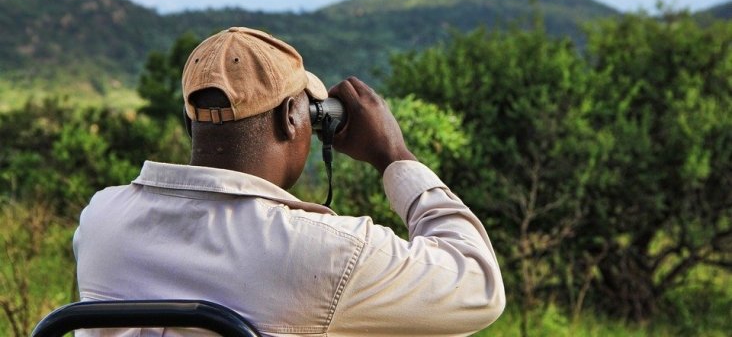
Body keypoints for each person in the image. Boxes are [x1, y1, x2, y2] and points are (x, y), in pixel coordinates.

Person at [73, 26, 505, 336]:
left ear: (191, 124)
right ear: (292, 118)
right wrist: (395, 155)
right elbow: (478, 287)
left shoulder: (100, 221)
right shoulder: (328, 253)